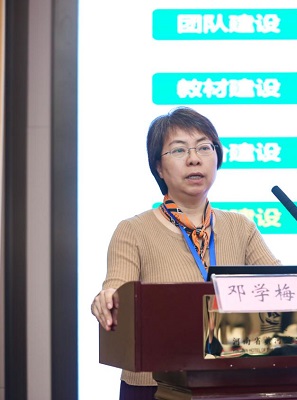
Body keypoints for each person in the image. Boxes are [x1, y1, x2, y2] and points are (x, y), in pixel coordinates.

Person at [90, 106, 281, 399]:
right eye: (179, 150)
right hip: (154, 387)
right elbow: (117, 293)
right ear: (158, 167)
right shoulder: (133, 231)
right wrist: (108, 300)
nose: (194, 158)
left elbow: (281, 286)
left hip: (228, 382)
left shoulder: (241, 227)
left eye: (204, 147)